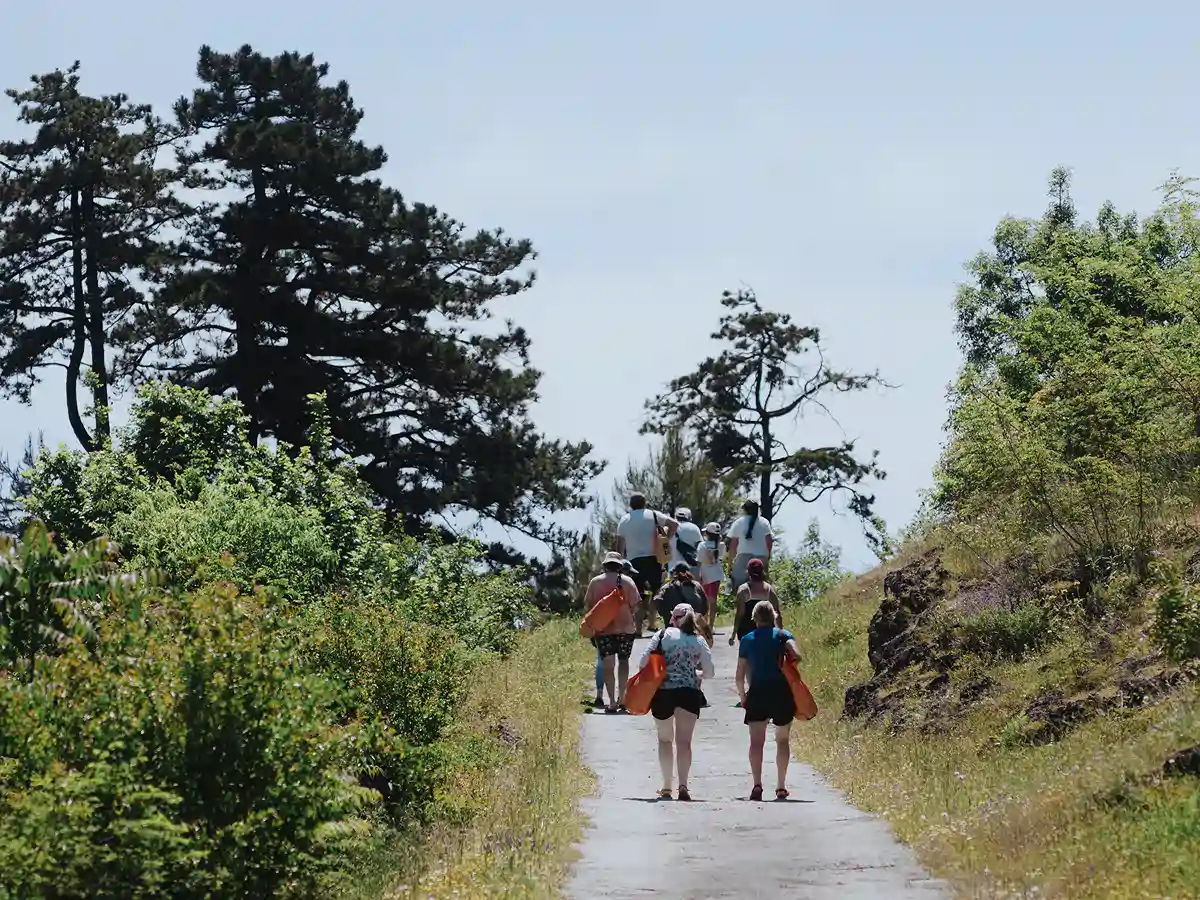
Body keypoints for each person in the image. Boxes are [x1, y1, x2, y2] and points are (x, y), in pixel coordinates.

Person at [639, 603, 714, 801]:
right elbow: (710, 672)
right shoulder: (698, 640)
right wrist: (694, 672)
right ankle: (683, 785)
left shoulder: (662, 635)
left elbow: (643, 661)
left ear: (673, 617)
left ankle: (666, 787)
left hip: (663, 693)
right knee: (684, 742)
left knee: (665, 740)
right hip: (689, 693)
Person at [735, 599, 800, 801]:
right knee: (782, 740)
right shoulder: (783, 635)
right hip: (781, 691)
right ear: (774, 616)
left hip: (758, 692)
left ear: (754, 619)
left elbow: (739, 676)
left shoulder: (747, 639)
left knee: (756, 742)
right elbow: (797, 654)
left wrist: (743, 696)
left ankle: (757, 785)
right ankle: (781, 786)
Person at [583, 551, 641, 713]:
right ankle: (622, 698)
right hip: (626, 629)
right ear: (620, 566)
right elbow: (636, 606)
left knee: (608, 665)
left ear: (605, 565)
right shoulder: (628, 581)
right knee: (623, 662)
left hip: (604, 630)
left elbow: (589, 606)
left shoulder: (595, 582)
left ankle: (612, 702)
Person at [616, 493, 677, 632]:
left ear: (631, 505)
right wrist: (666, 539)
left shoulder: (624, 520)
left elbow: (619, 545)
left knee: (638, 595)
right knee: (656, 592)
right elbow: (674, 524)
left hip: (633, 562)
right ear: (645, 503)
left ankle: (638, 629)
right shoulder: (653, 515)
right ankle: (651, 623)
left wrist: (619, 562)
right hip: (653, 558)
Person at [654, 562, 713, 651]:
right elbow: (705, 607)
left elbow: (657, 600)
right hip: (693, 633)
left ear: (674, 573)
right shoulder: (697, 586)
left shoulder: (667, 587)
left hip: (672, 634)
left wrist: (666, 613)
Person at [729, 558, 781, 648]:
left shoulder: (743, 590)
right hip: (767, 632)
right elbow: (777, 613)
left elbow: (740, 614)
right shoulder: (769, 590)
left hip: (746, 632)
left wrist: (733, 634)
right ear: (762, 572)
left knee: (746, 658)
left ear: (748, 572)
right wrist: (780, 634)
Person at [727, 498, 774, 593]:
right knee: (762, 586)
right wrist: (768, 556)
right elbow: (769, 541)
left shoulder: (738, 522)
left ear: (745, 510)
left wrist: (730, 563)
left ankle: (741, 605)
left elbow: (733, 545)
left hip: (743, 557)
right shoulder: (764, 522)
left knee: (739, 585)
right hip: (761, 557)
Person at [698, 521, 726, 616]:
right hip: (717, 574)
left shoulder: (702, 545)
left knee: (704, 599)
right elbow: (721, 558)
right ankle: (711, 624)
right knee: (713, 600)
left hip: (705, 574)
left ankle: (705, 624)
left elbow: (699, 560)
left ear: (707, 534)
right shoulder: (722, 545)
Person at [670, 507, 705, 579]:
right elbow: (701, 547)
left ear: (676, 516)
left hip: (673, 567)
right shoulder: (694, 528)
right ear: (689, 517)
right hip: (691, 567)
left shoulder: (670, 527)